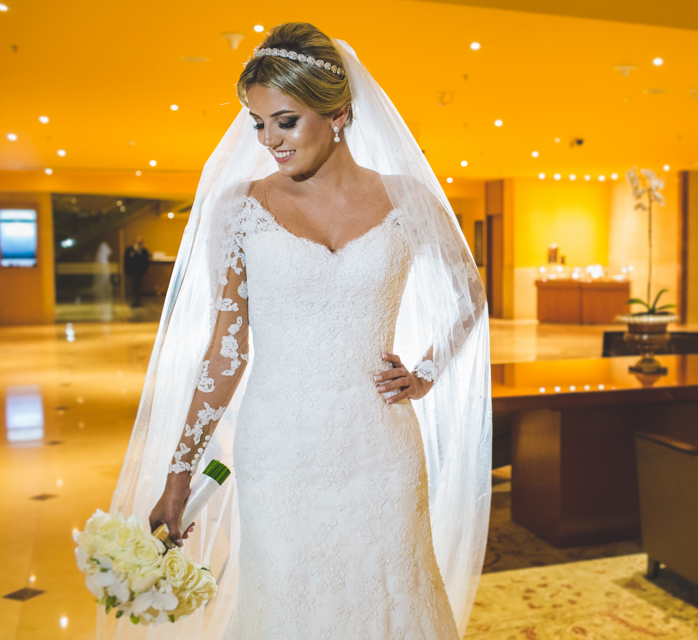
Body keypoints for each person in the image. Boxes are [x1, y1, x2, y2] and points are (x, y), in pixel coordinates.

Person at [107, 23, 491, 640]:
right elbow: (225, 353)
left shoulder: (406, 197)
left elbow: (469, 292)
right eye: (258, 123)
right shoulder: (239, 208)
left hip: (381, 447)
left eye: (285, 121)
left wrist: (424, 373)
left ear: (338, 112)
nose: (269, 141)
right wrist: (179, 473)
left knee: (390, 596)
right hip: (279, 451)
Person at [123, 235, 150, 307]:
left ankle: (137, 301)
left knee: (138, 287)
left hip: (139, 272)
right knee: (131, 287)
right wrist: (127, 270)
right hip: (131, 272)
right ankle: (131, 301)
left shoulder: (143, 251)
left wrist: (143, 270)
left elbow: (145, 262)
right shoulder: (129, 250)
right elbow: (126, 261)